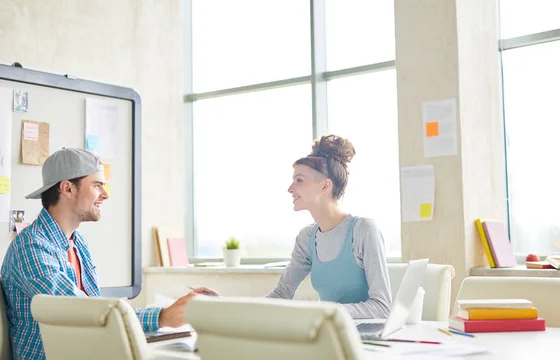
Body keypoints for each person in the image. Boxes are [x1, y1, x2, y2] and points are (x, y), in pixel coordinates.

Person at [0, 148, 217, 360]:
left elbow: (97, 311)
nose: (105, 194)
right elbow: (88, 314)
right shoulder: (31, 247)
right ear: (67, 188)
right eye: (97, 186)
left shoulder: (78, 244)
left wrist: (168, 314)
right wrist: (163, 316)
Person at [267, 135, 392, 319]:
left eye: (299, 180)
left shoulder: (364, 230)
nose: (290, 188)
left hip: (368, 339)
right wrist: (228, 306)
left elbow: (383, 307)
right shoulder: (306, 238)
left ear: (325, 186)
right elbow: (281, 295)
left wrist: (326, 311)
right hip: (329, 335)